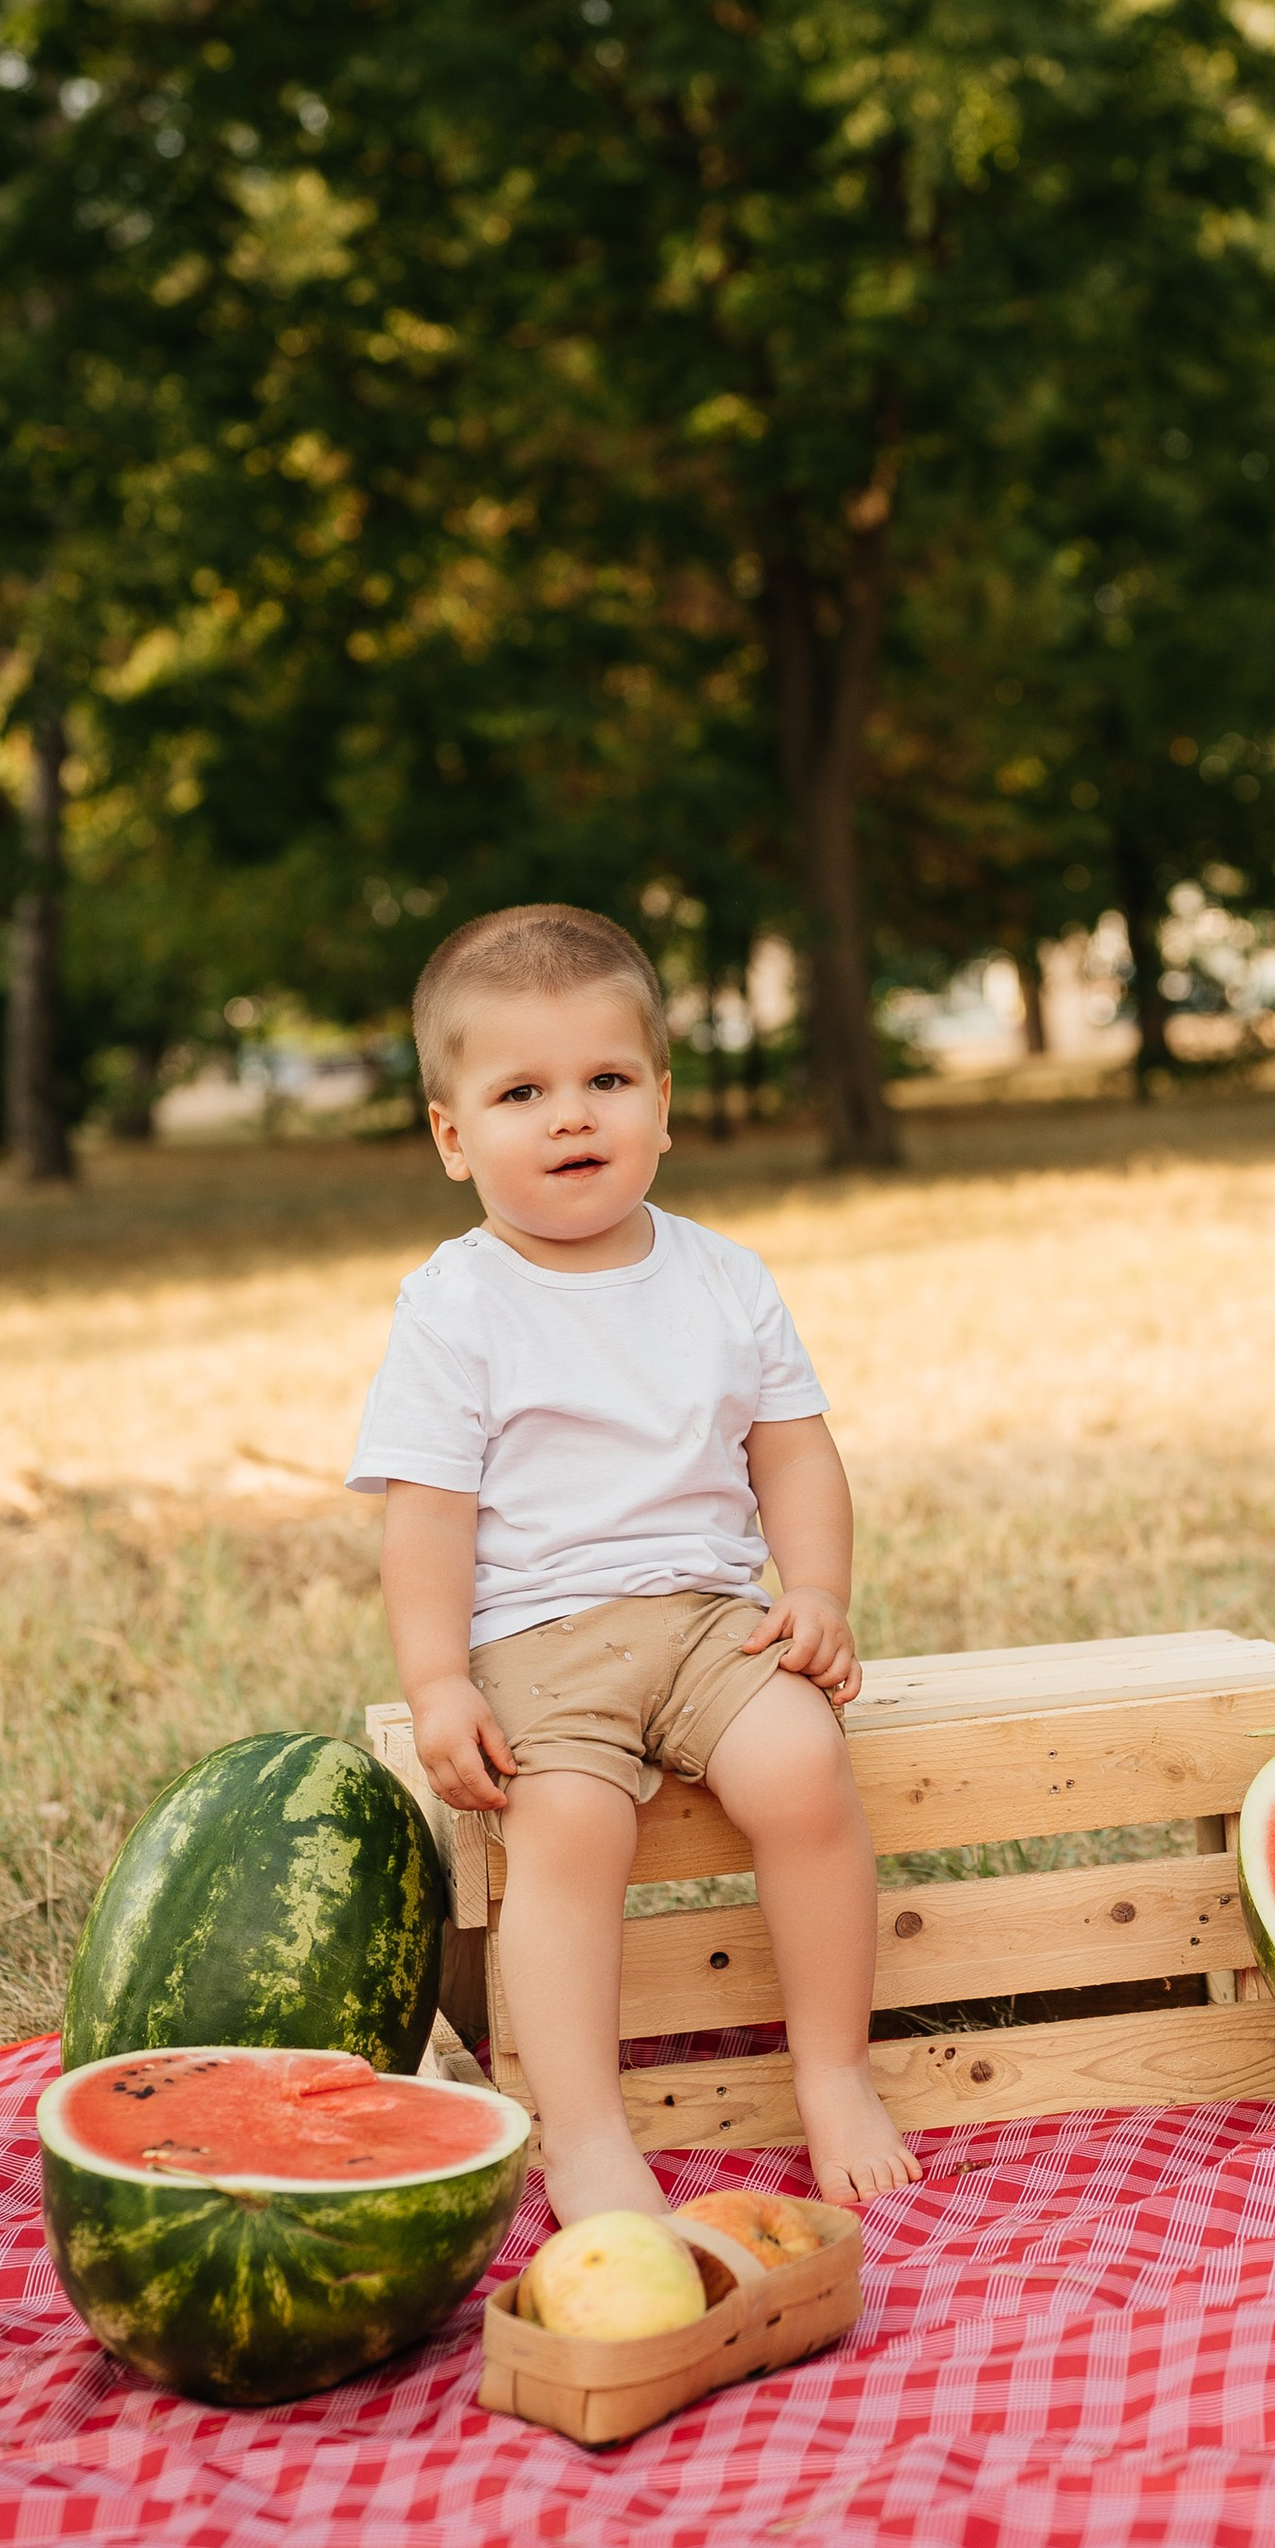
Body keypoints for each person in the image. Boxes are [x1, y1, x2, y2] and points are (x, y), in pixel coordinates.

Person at [351, 901, 921, 2219]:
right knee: (570, 1828)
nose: (572, 1117)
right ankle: (589, 2131)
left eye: (608, 1080)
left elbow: (793, 1453)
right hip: (545, 1637)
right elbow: (426, 1517)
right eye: (522, 1091)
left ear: (662, 1105)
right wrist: (440, 1683)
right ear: (453, 1135)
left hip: (709, 1616)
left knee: (801, 1766)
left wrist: (816, 1593)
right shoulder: (457, 1303)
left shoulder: (723, 1279)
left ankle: (831, 2069)